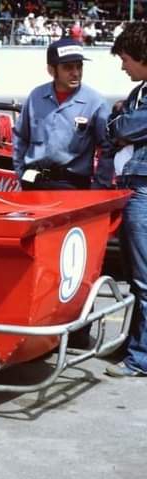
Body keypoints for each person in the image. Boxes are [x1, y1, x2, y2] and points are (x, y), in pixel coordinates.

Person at [104, 23, 147, 377]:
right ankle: (136, 343)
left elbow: (122, 129)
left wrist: (119, 121)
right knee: (135, 276)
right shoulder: (139, 92)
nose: (123, 67)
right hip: (134, 184)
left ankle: (141, 356)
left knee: (144, 278)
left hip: (144, 188)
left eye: (125, 60)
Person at [12, 39, 112, 190]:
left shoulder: (96, 103)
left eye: (79, 67)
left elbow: (108, 147)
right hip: (32, 182)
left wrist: (99, 186)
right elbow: (20, 137)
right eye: (68, 67)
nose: (76, 73)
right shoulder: (36, 96)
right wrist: (20, 172)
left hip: (72, 186)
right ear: (52, 70)